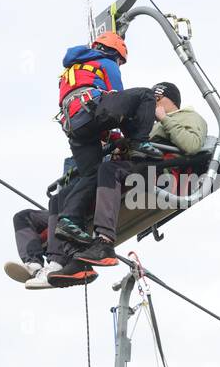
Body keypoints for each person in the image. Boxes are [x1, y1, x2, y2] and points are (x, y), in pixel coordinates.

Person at [69, 82, 211, 269]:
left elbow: (191, 144)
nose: (153, 104)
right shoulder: (150, 128)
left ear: (171, 100)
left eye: (157, 99)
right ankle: (65, 259)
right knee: (66, 196)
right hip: (139, 167)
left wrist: (164, 119)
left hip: (162, 171)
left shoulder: (189, 117)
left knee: (109, 170)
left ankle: (104, 242)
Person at [54, 33, 165, 252]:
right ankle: (140, 143)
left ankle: (69, 219)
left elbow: (95, 115)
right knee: (145, 96)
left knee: (91, 174)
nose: (120, 65)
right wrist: (135, 135)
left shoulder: (70, 71)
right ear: (116, 52)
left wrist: (114, 137)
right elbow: (117, 97)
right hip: (93, 110)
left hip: (75, 126)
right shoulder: (106, 62)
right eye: (121, 62)